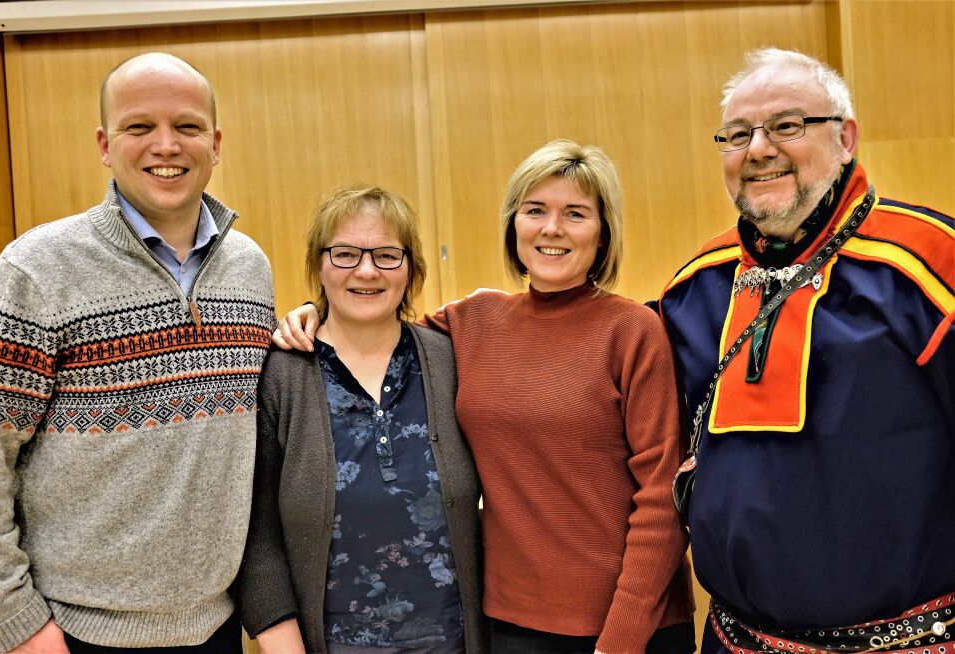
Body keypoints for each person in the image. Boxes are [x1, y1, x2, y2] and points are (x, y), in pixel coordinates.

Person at [275, 141, 695, 654]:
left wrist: (621, 640)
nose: (551, 228)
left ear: (603, 233)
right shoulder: (474, 321)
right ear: (513, 225)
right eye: (535, 210)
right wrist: (310, 313)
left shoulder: (633, 330)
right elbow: (372, 322)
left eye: (576, 213)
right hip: (510, 623)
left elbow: (663, 495)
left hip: (627, 625)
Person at [0, 53, 275, 654]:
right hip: (72, 632)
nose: (166, 145)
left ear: (215, 144)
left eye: (187, 127)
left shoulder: (250, 269)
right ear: (105, 145)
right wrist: (14, 626)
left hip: (217, 625)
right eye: (139, 127)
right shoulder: (35, 272)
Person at [656, 47, 954, 652]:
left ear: (845, 137)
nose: (759, 149)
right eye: (737, 135)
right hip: (733, 640)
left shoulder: (930, 266)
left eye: (788, 125)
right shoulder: (693, 289)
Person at [235, 184, 485, 654]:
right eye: (346, 253)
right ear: (319, 265)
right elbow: (253, 531)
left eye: (388, 255)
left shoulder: (450, 360)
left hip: (452, 641)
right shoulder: (280, 373)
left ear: (411, 269)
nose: (367, 271)